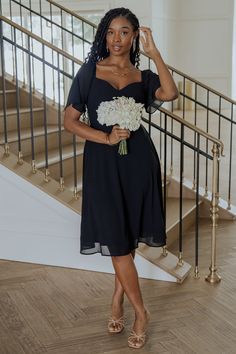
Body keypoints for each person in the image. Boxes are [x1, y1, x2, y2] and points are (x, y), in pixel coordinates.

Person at [64, 7, 178, 349]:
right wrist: (106, 138)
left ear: (133, 37)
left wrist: (155, 54)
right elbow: (69, 120)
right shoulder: (89, 72)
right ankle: (141, 312)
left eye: (124, 32)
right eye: (111, 32)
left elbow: (170, 93)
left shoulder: (143, 76)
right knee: (116, 237)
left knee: (125, 237)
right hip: (102, 163)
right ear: (103, 35)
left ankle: (117, 300)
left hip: (138, 162)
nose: (117, 39)